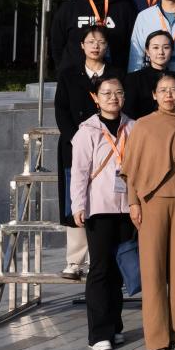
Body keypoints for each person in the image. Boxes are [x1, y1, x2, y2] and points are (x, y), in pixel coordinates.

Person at [120, 71, 175, 350]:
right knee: (152, 270)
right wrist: (133, 203)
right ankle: (156, 337)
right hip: (151, 203)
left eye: (174, 89)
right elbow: (132, 170)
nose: (168, 95)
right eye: (163, 90)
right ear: (154, 94)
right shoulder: (142, 125)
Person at [70, 76, 135, 350]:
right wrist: (78, 205)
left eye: (118, 92)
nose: (113, 98)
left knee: (118, 270)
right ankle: (98, 333)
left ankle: (115, 326)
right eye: (106, 93)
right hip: (98, 208)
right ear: (95, 98)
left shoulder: (133, 126)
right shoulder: (87, 131)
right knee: (100, 269)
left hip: (127, 207)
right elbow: (79, 172)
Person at [55, 26, 123, 280]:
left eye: (101, 42)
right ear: (82, 45)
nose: (96, 46)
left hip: (109, 147)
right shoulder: (68, 74)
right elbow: (61, 110)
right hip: (75, 145)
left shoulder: (116, 74)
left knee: (104, 198)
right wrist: (77, 139)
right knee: (75, 197)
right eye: (91, 41)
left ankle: (100, 255)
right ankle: (75, 260)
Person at [50, 0, 136, 72]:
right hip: (76, 76)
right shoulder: (68, 8)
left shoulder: (124, 6)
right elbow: (57, 45)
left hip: (114, 77)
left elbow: (133, 44)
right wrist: (64, 73)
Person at [123, 30, 173, 119]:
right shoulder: (133, 79)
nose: (161, 52)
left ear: (172, 51)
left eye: (166, 47)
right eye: (155, 47)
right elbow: (128, 113)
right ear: (147, 51)